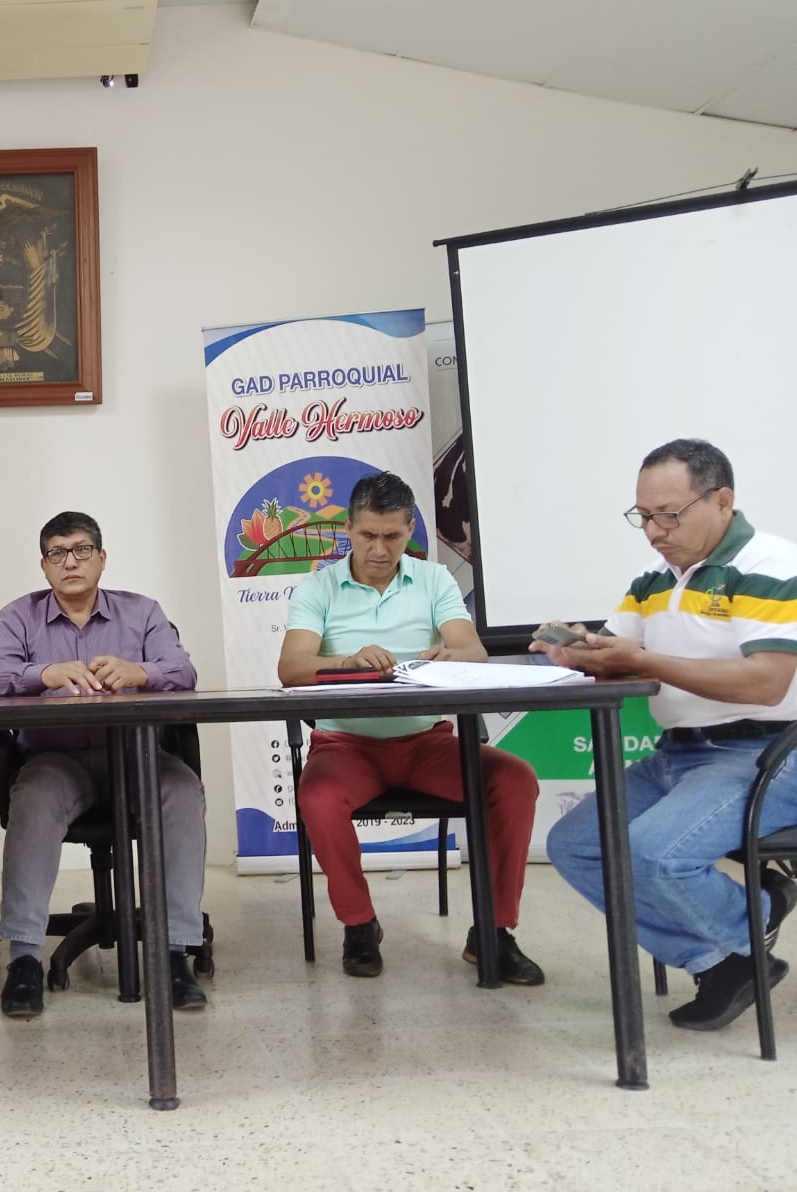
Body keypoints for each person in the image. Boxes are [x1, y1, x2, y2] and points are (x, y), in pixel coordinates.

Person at [543, 439, 797, 1031]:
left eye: (670, 515)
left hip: (767, 750)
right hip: (679, 753)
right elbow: (618, 652)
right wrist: (579, 650)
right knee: (576, 846)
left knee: (653, 853)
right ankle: (721, 962)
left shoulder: (771, 567)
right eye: (643, 516)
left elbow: (766, 682)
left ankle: (760, 910)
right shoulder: (654, 579)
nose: (655, 532)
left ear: (722, 501)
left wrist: (643, 660)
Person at [277, 472, 544, 984]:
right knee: (318, 799)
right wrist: (347, 661)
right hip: (345, 746)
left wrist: (451, 655)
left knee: (515, 780)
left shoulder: (434, 579)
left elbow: (473, 652)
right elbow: (291, 668)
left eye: (393, 536)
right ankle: (359, 924)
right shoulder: (319, 586)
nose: (379, 550)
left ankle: (493, 931)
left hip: (427, 744)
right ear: (348, 529)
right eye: (367, 535)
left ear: (409, 531)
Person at [0, 511, 208, 1018]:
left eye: (81, 550)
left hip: (137, 757)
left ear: (102, 558)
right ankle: (24, 960)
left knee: (182, 790)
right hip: (57, 760)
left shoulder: (142, 612)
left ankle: (173, 954)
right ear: (43, 565)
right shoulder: (18, 617)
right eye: (57, 554)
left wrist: (140, 672)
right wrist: (42, 674)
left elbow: (183, 670)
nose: (70, 562)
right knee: (33, 796)